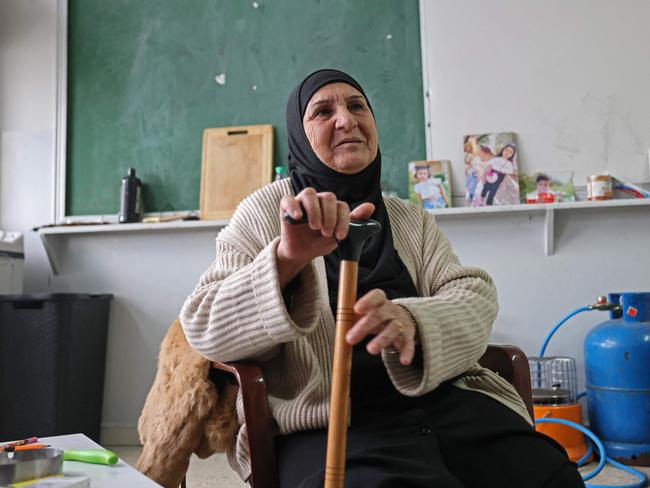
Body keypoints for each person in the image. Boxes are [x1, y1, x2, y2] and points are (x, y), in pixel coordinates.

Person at [180, 69, 584, 487]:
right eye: (323, 111)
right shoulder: (264, 214)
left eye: (357, 106)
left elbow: (474, 295)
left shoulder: (409, 217)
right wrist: (286, 259)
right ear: (299, 137)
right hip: (325, 425)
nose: (346, 119)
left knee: (552, 477)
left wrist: (414, 322)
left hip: (445, 406)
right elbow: (204, 327)